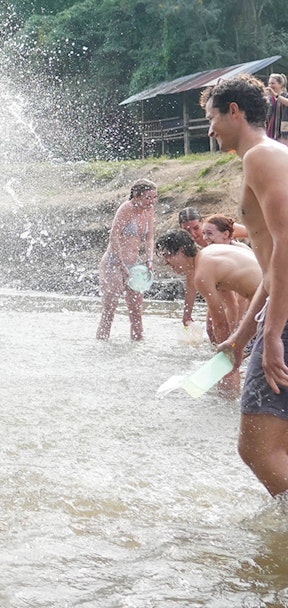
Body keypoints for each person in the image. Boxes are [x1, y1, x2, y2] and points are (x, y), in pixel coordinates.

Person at [205, 75, 288, 496]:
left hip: (286, 317)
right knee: (278, 442)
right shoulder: (265, 157)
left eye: (212, 117)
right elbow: (272, 266)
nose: (210, 129)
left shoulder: (262, 157)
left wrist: (271, 333)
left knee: (257, 448)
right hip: (280, 305)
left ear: (234, 111)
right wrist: (243, 334)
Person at [157, 229, 260, 396]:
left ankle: (228, 399)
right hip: (274, 293)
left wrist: (225, 356)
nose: (166, 262)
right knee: (234, 356)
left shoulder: (202, 274)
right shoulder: (210, 253)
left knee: (231, 360)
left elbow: (220, 322)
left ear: (182, 251)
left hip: (271, 300)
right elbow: (231, 305)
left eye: (168, 255)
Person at [97, 180, 157, 341]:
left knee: (136, 311)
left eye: (154, 197)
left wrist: (149, 260)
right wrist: (121, 263)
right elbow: (113, 236)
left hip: (134, 265)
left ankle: (137, 352)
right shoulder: (127, 208)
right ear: (137, 196)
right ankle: (101, 347)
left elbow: (150, 237)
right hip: (113, 263)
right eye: (148, 198)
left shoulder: (149, 210)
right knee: (110, 310)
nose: (151, 202)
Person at [266, 73, 288, 143]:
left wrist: (276, 95)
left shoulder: (286, 95)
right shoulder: (269, 98)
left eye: (273, 83)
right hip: (270, 132)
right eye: (269, 83)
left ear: (280, 84)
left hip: (284, 134)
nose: (270, 86)